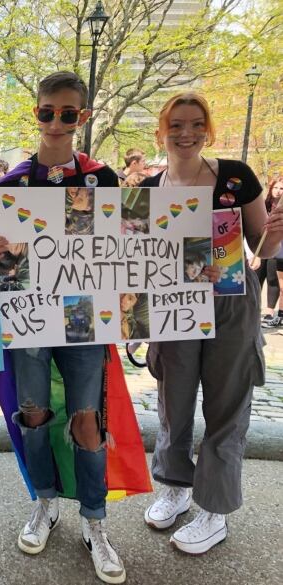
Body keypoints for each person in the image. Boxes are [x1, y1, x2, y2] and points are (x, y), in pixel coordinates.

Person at [0, 71, 126, 584]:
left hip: (85, 316)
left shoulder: (104, 180)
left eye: (68, 114)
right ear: (36, 112)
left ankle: (96, 520)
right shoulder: (11, 185)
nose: (56, 122)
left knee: (88, 419)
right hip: (29, 315)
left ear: (82, 118)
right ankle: (45, 502)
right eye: (48, 111)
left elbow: (123, 253)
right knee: (33, 412)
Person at [141, 92, 283, 554]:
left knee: (227, 405)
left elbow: (261, 248)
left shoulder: (236, 176)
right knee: (173, 401)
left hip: (230, 301)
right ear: (161, 130)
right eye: (177, 124)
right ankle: (176, 486)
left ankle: (214, 509)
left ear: (208, 129)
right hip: (173, 306)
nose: (186, 133)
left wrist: (275, 236)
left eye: (196, 124)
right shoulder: (147, 190)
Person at [253, 176, 283, 327]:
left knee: (273, 280)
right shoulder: (263, 204)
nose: (278, 191)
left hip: (276, 249)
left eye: (281, 188)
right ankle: (253, 311)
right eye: (276, 188)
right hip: (259, 247)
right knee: (256, 279)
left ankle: (270, 313)